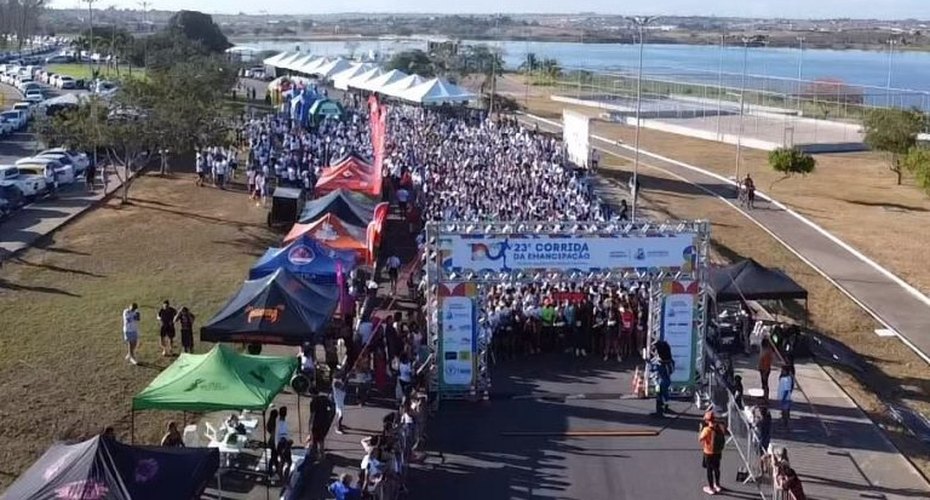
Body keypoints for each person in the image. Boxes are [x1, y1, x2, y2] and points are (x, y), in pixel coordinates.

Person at [698, 410, 727, 495]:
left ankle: (711, 488)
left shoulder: (707, 430)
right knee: (717, 469)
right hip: (718, 452)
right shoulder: (719, 427)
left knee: (709, 470)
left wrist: (700, 430)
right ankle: (717, 485)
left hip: (709, 452)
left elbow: (700, 439)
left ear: (707, 420)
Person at [308, 389, 334, 457]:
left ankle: (314, 454)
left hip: (316, 423)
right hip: (324, 422)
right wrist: (329, 415)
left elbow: (312, 415)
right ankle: (322, 454)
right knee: (321, 439)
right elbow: (332, 406)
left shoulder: (313, 402)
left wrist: (310, 424)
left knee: (314, 439)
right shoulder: (324, 398)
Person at [777, 364, 796, 428]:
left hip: (785, 398)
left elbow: (786, 390)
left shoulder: (786, 379)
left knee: (785, 410)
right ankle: (784, 421)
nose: (782, 371)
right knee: (784, 410)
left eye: (783, 370)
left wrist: (783, 399)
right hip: (784, 397)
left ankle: (785, 423)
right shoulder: (787, 378)